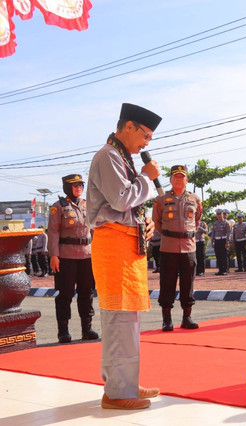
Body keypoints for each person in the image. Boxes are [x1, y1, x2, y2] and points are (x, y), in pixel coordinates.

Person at [86, 102, 162, 410]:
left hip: (127, 246)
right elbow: (120, 199)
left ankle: (126, 384)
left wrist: (145, 220)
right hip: (114, 247)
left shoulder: (122, 157)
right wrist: (147, 177)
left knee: (128, 319)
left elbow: (128, 205)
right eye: (146, 135)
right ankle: (117, 392)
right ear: (128, 126)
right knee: (118, 320)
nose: (146, 143)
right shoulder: (108, 155)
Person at [47, 174, 99, 343]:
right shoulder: (58, 207)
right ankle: (63, 332)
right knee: (66, 294)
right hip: (66, 256)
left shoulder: (87, 206)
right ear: (68, 188)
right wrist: (54, 255)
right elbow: (53, 232)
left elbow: (94, 230)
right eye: (75, 185)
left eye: (80, 185)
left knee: (87, 292)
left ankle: (87, 329)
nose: (78, 188)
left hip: (87, 255)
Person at [152, 165, 202, 332]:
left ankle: (187, 318)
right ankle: (167, 319)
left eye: (182, 177)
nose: (179, 179)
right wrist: (171, 235)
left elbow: (197, 220)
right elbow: (157, 223)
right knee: (167, 283)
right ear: (171, 180)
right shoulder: (161, 200)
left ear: (187, 180)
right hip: (168, 248)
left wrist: (186, 234)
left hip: (188, 247)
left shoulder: (195, 199)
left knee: (188, 284)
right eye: (176, 177)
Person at [211, 209, 231, 275]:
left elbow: (228, 233)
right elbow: (213, 233)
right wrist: (212, 242)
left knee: (224, 256)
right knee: (218, 256)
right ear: (216, 215)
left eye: (220, 214)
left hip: (223, 240)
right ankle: (220, 270)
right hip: (217, 241)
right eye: (218, 214)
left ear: (223, 214)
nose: (219, 216)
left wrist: (227, 241)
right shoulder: (215, 223)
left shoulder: (226, 223)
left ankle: (225, 270)